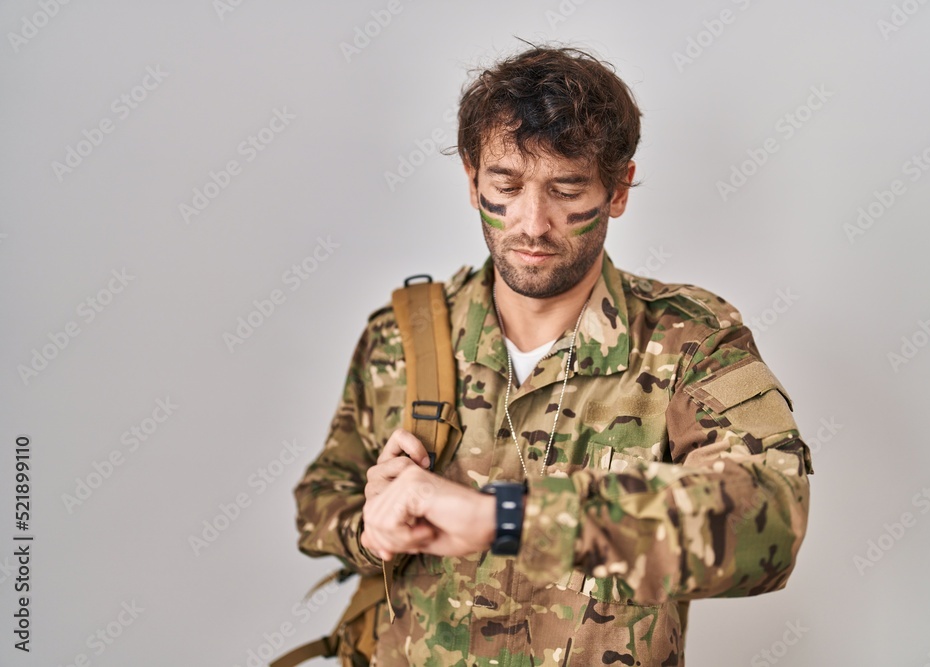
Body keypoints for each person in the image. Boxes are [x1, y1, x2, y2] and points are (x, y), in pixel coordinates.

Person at [294, 44, 813, 666]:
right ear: (470, 180)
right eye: (505, 186)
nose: (533, 223)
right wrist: (368, 529)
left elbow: (771, 520)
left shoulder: (688, 340)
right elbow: (321, 498)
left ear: (618, 188)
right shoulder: (401, 338)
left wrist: (507, 519)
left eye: (567, 188)